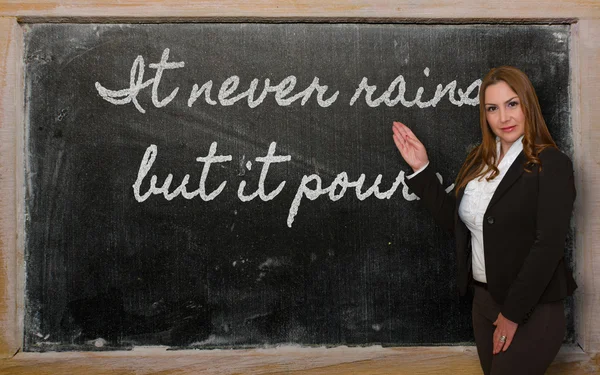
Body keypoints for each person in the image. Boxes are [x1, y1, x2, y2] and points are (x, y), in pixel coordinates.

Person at [392, 66, 576, 375]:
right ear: (485, 114)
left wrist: (512, 314)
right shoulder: (479, 163)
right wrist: (421, 169)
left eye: (512, 104)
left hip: (531, 309)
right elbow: (461, 227)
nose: (503, 117)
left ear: (528, 104)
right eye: (493, 108)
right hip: (484, 303)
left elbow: (549, 245)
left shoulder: (551, 164)